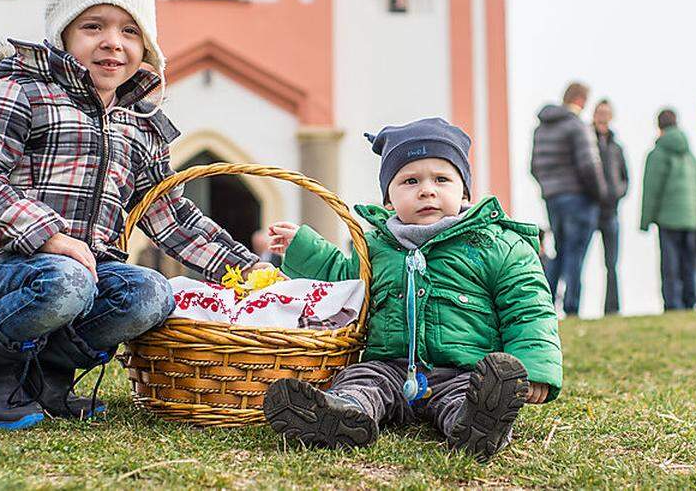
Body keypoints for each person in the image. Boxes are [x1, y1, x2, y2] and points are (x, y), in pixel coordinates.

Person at [0, 0, 260, 430]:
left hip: (86, 280)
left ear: (145, 45)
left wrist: (249, 271)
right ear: (62, 33)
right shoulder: (23, 89)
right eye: (93, 25)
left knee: (150, 292)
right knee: (65, 280)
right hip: (10, 273)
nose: (113, 42)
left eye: (131, 31)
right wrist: (50, 236)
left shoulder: (140, 122)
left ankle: (48, 375)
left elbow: (172, 217)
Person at [262, 118, 562, 461]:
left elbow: (528, 307)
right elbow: (342, 277)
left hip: (464, 369)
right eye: (410, 181)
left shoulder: (496, 244)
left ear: (464, 191)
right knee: (362, 380)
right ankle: (343, 413)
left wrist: (534, 368)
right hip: (390, 366)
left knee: (464, 398)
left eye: (442, 179)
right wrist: (303, 246)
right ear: (388, 199)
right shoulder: (374, 247)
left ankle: (478, 424)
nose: (427, 190)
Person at [531, 82, 607, 316]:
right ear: (582, 100)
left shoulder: (541, 129)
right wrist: (600, 194)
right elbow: (589, 165)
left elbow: (534, 167)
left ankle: (548, 304)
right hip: (578, 199)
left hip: (552, 198)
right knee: (576, 255)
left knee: (559, 252)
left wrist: (549, 188)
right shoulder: (576, 126)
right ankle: (572, 307)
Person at [640, 109, 696, 310]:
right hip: (690, 217)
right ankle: (691, 301)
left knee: (670, 264)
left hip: (668, 218)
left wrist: (645, 220)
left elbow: (652, 188)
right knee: (689, 263)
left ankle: (673, 304)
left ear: (659, 127)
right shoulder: (691, 154)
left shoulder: (658, 153)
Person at [591, 99, 629, 315]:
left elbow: (626, 179)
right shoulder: (587, 141)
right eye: (599, 112)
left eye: (606, 113)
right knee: (579, 260)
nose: (603, 116)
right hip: (590, 209)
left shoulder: (617, 147)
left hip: (611, 212)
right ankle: (572, 306)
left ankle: (612, 308)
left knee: (611, 264)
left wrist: (617, 193)